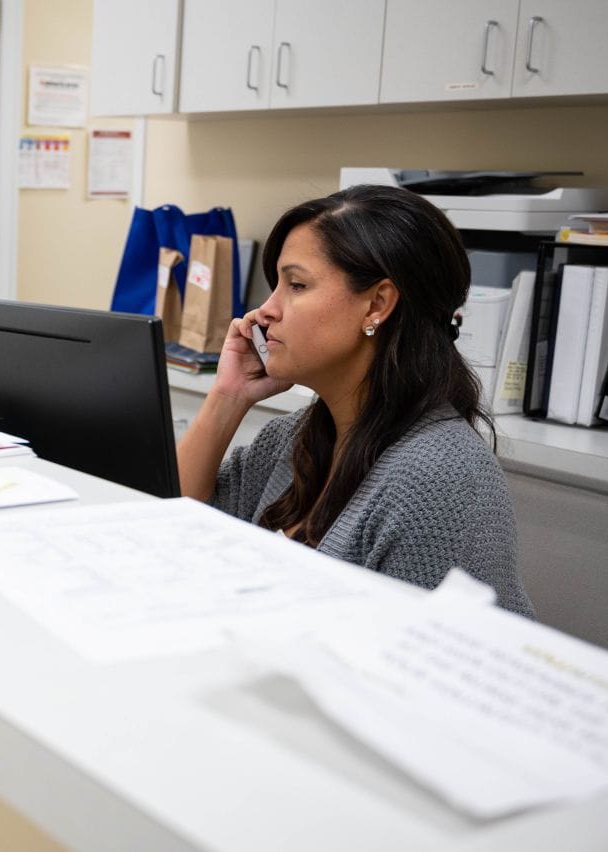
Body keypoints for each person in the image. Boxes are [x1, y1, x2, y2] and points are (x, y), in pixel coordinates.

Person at [177, 184, 534, 617]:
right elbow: (174, 530)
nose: (264, 311)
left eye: (296, 284)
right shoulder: (294, 438)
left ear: (377, 304)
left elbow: (413, 663)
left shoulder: (440, 474)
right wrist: (227, 397)